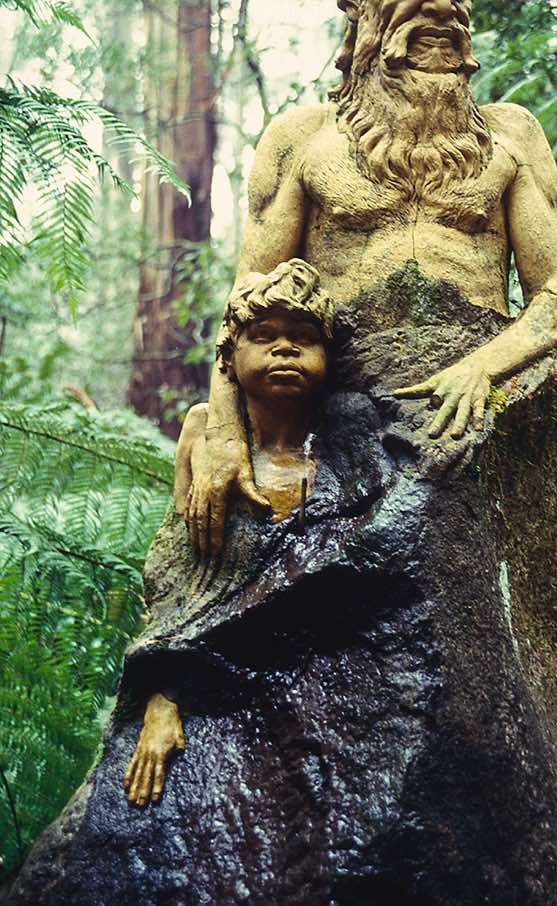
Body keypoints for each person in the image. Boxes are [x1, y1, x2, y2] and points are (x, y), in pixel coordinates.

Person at [186, 0, 557, 556]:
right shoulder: (304, 140)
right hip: (330, 410)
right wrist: (225, 438)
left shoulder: (512, 138)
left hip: (468, 412)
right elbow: (246, 301)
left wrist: (482, 370)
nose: (443, 9)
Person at [123, 259, 334, 807]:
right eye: (263, 336)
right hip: (209, 676)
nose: (284, 349)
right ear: (230, 355)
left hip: (316, 677)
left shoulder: (346, 450)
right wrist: (164, 695)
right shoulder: (205, 435)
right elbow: (173, 573)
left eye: (303, 338)